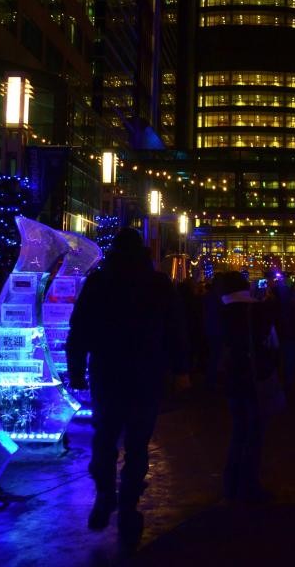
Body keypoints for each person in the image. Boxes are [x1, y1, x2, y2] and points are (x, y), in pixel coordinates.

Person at [66, 228, 190, 553]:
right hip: (146, 373)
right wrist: (181, 369)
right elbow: (176, 329)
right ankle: (129, 503)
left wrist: (76, 371)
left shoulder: (99, 282)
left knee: (105, 437)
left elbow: (79, 328)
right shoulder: (158, 284)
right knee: (137, 444)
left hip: (107, 370)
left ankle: (105, 494)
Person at [219, 271, 277, 502]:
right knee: (254, 433)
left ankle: (231, 482)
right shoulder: (257, 311)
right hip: (254, 378)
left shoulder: (222, 313)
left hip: (233, 379)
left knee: (238, 430)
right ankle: (249, 484)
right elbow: (272, 344)